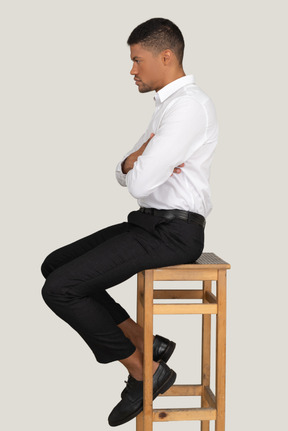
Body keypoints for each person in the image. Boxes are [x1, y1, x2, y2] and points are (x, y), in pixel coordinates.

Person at [41, 17, 218, 427]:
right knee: (54, 265)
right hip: (148, 223)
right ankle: (145, 341)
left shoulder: (189, 107)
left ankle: (143, 371)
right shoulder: (168, 108)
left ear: (166, 56)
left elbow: (139, 180)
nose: (132, 70)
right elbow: (125, 170)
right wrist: (135, 162)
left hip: (175, 232)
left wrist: (139, 165)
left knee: (60, 289)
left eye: (137, 60)